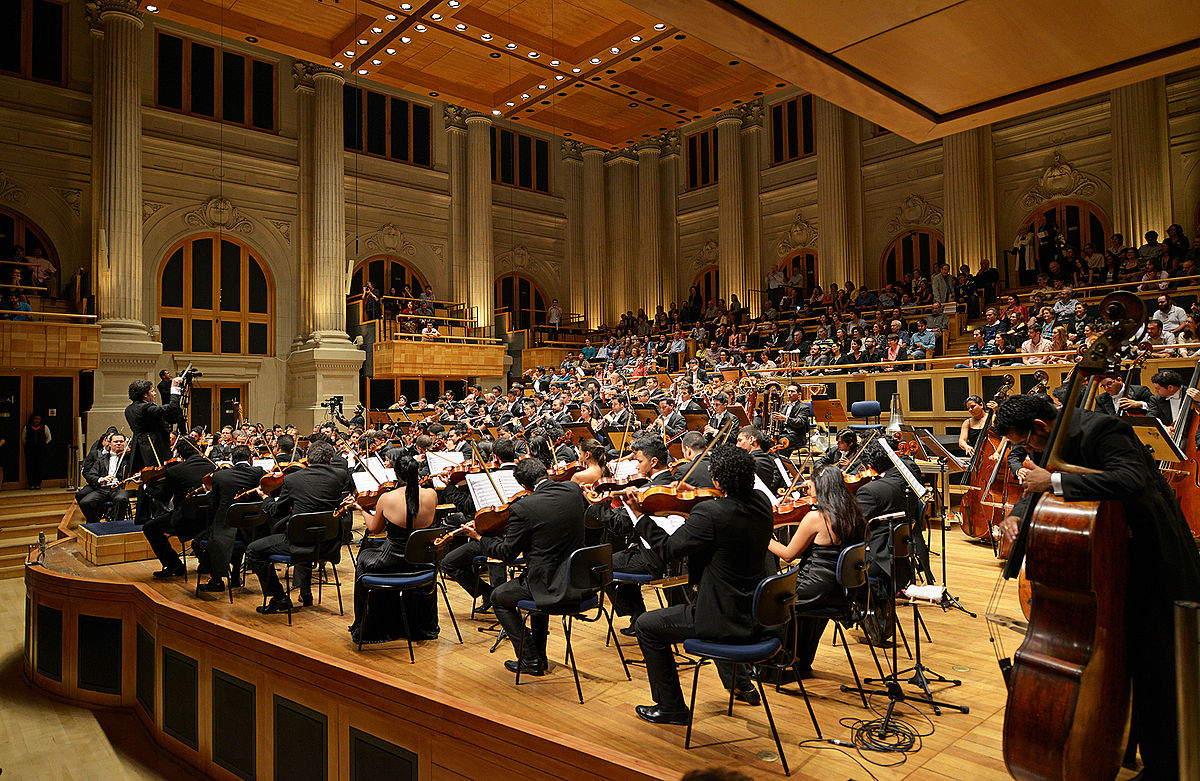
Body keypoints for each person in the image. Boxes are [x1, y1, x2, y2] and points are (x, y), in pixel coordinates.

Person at [995, 394, 1200, 781]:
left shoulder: (1104, 429)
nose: (1029, 451)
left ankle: (1167, 768)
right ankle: (1125, 746)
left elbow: (1132, 478)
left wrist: (1053, 480)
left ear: (1039, 426)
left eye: (1027, 442)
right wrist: (1017, 514)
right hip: (1108, 561)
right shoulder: (1050, 442)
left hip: (1152, 557)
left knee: (1157, 667)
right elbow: (1036, 484)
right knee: (1126, 658)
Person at [627, 445, 772, 724]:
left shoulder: (711, 513)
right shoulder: (760, 503)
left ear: (717, 482)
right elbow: (720, 523)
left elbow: (669, 548)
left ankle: (671, 707)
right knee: (704, 607)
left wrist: (640, 516)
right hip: (755, 612)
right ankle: (742, 683)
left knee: (646, 625)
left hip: (723, 615)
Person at [459, 457, 586, 675]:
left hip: (547, 583)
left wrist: (480, 538)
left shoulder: (524, 508)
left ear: (523, 486)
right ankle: (540, 656)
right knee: (528, 594)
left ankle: (530, 658)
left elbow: (507, 554)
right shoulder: (573, 490)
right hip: (579, 579)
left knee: (499, 597)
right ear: (545, 472)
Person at [769, 465, 866, 672]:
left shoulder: (816, 517)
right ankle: (801, 661)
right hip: (839, 589)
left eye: (810, 484)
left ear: (820, 486)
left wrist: (763, 537)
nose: (806, 488)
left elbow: (788, 554)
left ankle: (775, 662)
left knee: (769, 599)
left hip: (815, 587)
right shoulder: (854, 513)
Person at [245, 440, 351, 614]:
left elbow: (276, 511)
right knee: (307, 529)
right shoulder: (340, 475)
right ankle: (305, 592)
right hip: (329, 542)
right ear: (330, 460)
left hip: (299, 543)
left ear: (307, 459)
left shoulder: (292, 479)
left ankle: (279, 597)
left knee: (253, 551)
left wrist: (266, 498)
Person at [349, 454, 440, 644]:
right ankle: (420, 624)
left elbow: (374, 529)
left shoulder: (387, 498)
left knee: (364, 556)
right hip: (422, 561)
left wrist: (361, 510)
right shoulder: (432, 495)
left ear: (396, 473)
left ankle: (369, 624)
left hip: (392, 559)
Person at [195, 444, 266, 592]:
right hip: (251, 528)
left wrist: (208, 493)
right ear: (251, 459)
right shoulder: (258, 472)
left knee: (209, 537)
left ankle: (217, 580)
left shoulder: (220, 476)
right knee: (236, 536)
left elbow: (213, 503)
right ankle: (234, 576)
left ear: (232, 460)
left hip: (226, 527)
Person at [141, 438, 212, 578]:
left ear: (179, 452)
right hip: (208, 519)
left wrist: (146, 487)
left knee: (150, 527)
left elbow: (163, 497)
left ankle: (174, 565)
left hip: (186, 521)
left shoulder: (175, 471)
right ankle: (206, 562)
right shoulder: (211, 465)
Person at [78, 432, 133, 522]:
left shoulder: (129, 458)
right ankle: (95, 524)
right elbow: (91, 474)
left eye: (121, 442)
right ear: (110, 444)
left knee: (121, 499)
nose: (119, 443)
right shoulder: (101, 459)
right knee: (85, 502)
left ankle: (117, 525)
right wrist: (101, 479)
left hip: (120, 488)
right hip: (103, 489)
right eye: (116, 442)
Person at [21, 413, 51, 489]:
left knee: (39, 467)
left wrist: (42, 444)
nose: (37, 420)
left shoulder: (44, 427)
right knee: (30, 467)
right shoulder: (27, 427)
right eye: (35, 419)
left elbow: (48, 438)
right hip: (30, 450)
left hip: (41, 450)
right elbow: (24, 439)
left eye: (38, 419)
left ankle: (38, 484)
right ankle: (31, 484)